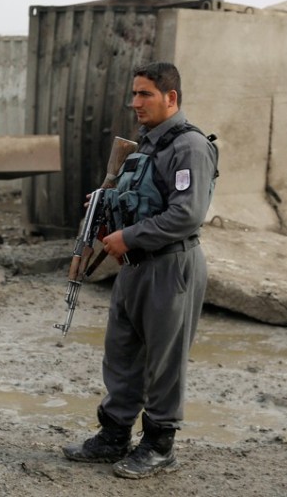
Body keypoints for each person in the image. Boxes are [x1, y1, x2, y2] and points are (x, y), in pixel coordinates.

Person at [63, 61, 218, 479]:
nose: (135, 102)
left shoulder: (189, 147)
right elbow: (138, 198)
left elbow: (187, 214)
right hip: (134, 267)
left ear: (171, 98)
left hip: (171, 265)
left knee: (164, 361)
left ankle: (159, 444)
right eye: (133, 94)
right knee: (122, 354)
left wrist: (129, 237)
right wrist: (106, 206)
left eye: (145, 94)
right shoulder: (149, 144)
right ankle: (114, 434)